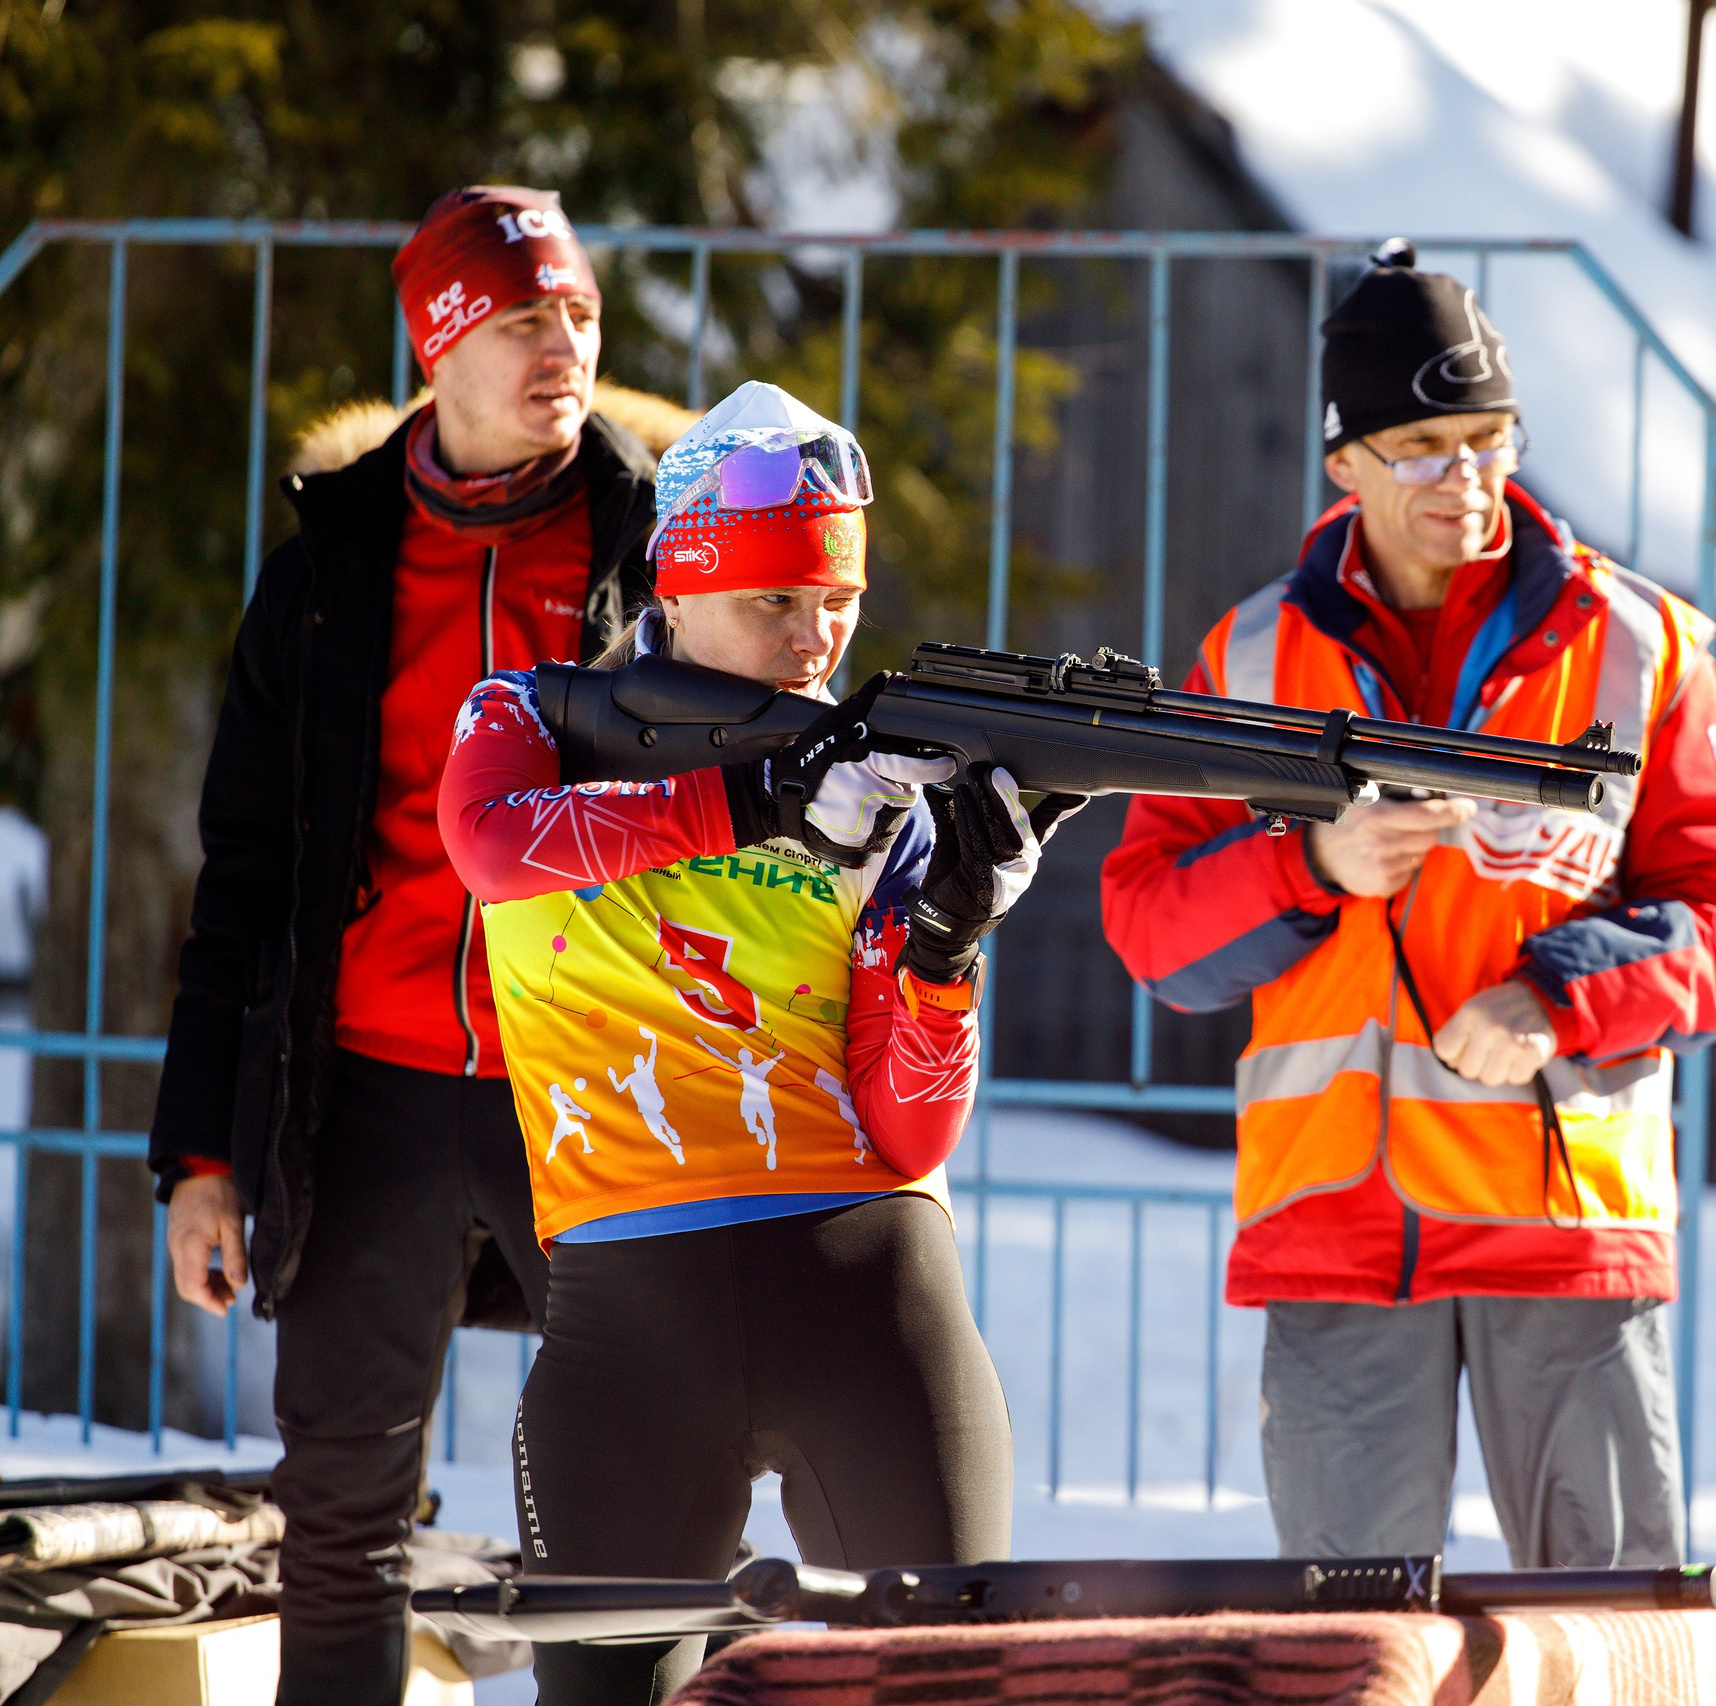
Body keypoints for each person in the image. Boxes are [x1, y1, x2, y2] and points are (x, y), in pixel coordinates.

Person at [1101, 245, 1716, 1568]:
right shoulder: (1247, 656)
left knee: (1613, 1647)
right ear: (1343, 461)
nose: (1466, 478)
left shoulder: (1640, 645)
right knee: (1348, 1655)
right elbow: (1150, 924)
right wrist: (1313, 868)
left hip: (1566, 1228)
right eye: (1421, 446)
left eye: (1487, 438)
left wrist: (1558, 993)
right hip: (1331, 1231)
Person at [440, 381, 1072, 1704]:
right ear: (676, 588)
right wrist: (753, 795)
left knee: (952, 1688)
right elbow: (488, 845)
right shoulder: (531, 720)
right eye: (773, 600)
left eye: (834, 600)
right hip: (625, 1326)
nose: (813, 637)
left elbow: (908, 1124)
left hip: (874, 1296)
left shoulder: (886, 791)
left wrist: (948, 941)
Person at [148, 186, 657, 1705]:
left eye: (577, 313)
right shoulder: (324, 573)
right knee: (344, 1512)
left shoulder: (659, 543)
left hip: (589, 1081)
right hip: (362, 1083)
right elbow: (241, 873)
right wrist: (199, 1153)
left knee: (638, 1491)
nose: (561, 344)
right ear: (439, 349)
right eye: (519, 320)